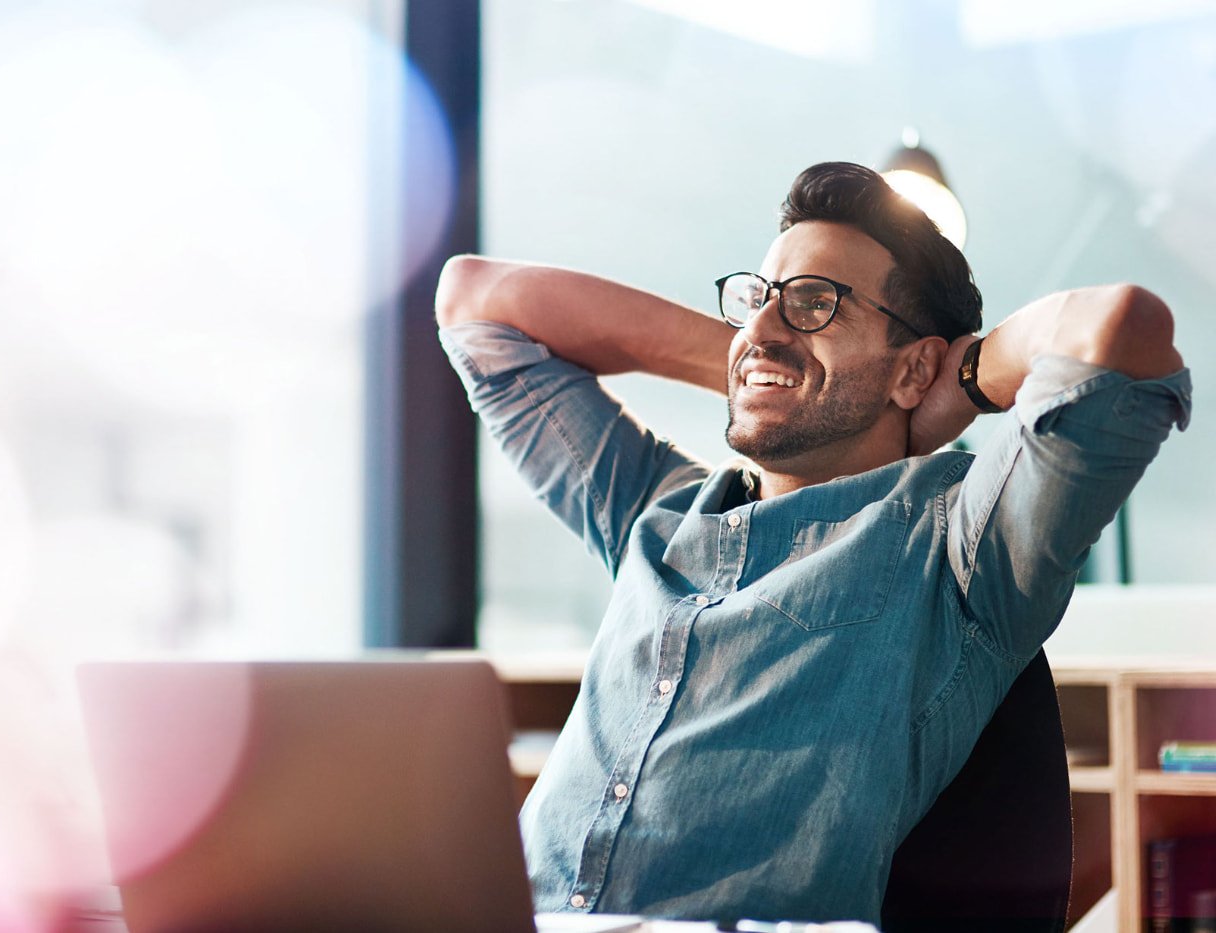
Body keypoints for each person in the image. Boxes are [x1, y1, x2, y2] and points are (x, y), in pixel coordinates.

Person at [433, 162, 1191, 925]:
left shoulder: (956, 546)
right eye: (757, 301)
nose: (761, 324)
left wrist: (954, 382)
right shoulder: (658, 510)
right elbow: (476, 302)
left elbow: (1119, 328)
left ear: (915, 363)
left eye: (814, 304)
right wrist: (764, 363)